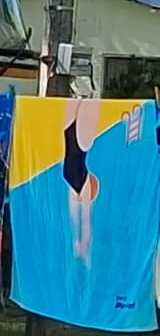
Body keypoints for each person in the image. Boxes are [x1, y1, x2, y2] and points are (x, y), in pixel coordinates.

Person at [63, 97, 101, 264]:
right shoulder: (84, 185)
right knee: (82, 218)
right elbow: (84, 221)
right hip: (77, 175)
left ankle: (82, 251)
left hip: (75, 175)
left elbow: (84, 221)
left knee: (80, 219)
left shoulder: (81, 188)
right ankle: (83, 252)